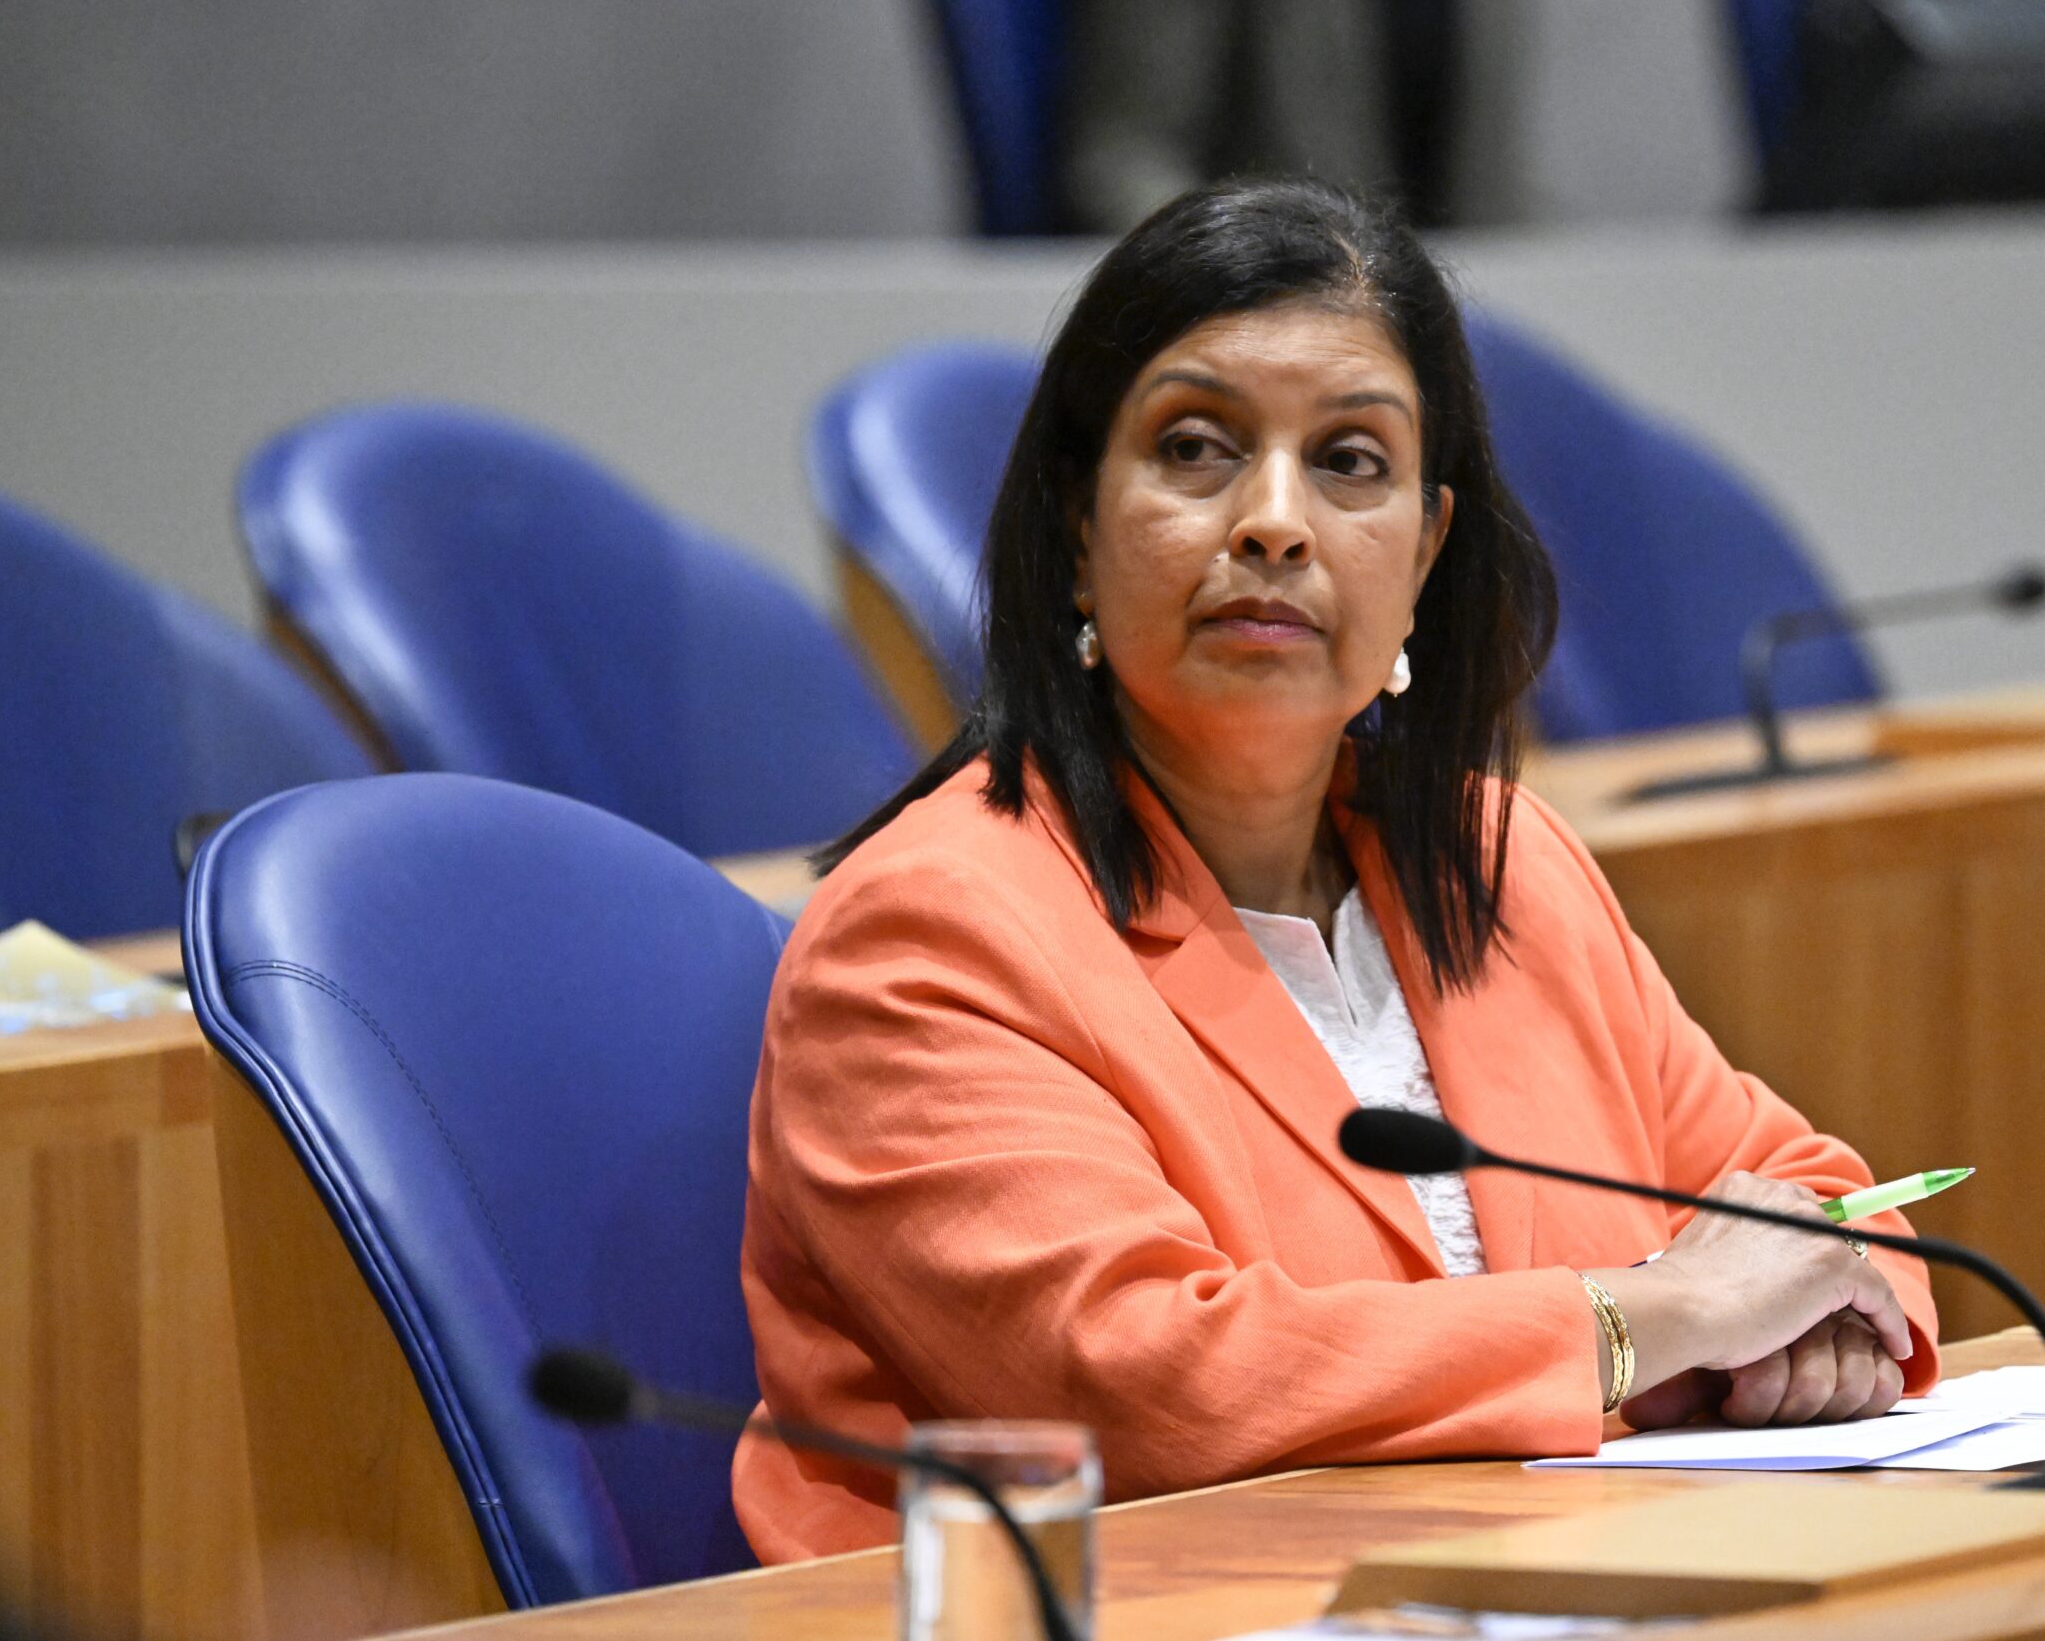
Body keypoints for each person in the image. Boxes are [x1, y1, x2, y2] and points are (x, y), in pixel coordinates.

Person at [737, 177, 1939, 1560]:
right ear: (1077, 527)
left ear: (1425, 552)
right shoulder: (926, 934)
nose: (1273, 521)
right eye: (1195, 449)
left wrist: (1827, 1313)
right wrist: (1653, 1324)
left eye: (1350, 462)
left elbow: (1807, 1200)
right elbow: (1141, 1385)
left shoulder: (1501, 867)